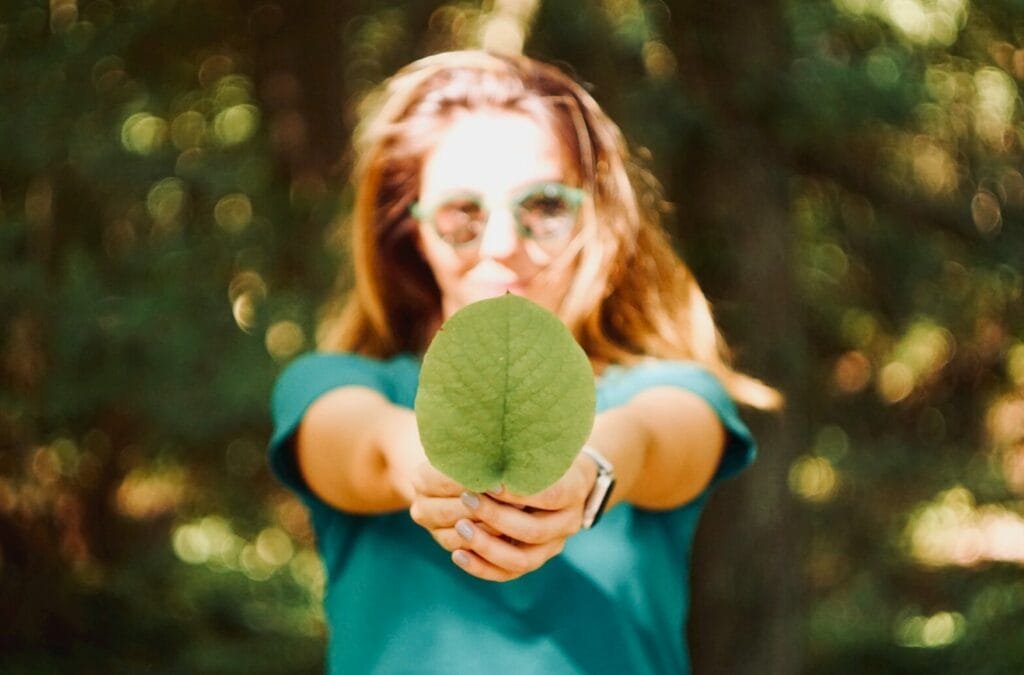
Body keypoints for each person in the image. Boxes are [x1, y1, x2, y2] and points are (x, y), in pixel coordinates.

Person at [268, 50, 780, 674]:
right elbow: (365, 447)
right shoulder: (333, 383)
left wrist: (586, 475)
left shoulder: (671, 390)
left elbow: (650, 441)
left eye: (544, 206)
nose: (504, 245)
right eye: (463, 213)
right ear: (411, 231)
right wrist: (426, 467)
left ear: (596, 217)